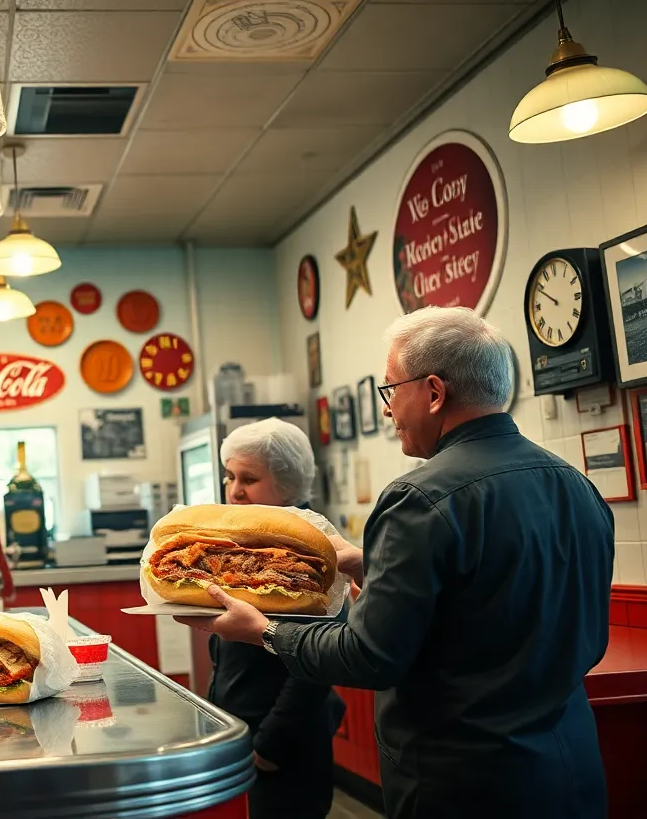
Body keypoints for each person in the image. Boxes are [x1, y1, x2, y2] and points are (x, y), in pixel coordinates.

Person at [178, 307, 613, 818]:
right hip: (571, 769)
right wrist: (374, 566)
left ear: (433, 392)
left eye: (390, 390)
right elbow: (497, 604)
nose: (387, 410)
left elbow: (369, 656)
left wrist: (264, 632)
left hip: (462, 785)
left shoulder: (418, 497)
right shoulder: (578, 485)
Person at [211, 418, 346, 819]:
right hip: (242, 731)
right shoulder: (246, 536)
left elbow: (317, 661)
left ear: (287, 482)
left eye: (248, 478)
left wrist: (271, 745)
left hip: (284, 743)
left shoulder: (309, 544)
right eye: (229, 476)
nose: (234, 491)